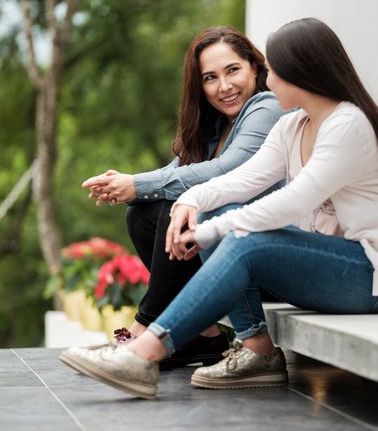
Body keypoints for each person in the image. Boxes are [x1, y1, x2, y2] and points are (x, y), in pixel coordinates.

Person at [60, 17, 378, 399]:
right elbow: (245, 179)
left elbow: (292, 202)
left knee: (234, 232)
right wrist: (191, 200)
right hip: (329, 267)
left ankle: (144, 353)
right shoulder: (293, 126)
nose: (270, 81)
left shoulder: (347, 125)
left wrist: (210, 230)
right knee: (218, 217)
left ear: (303, 72)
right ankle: (255, 349)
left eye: (276, 72)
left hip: (372, 277)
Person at [79, 26, 284, 368]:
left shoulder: (267, 107)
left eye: (233, 70)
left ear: (254, 67)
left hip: (262, 261)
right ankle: (202, 337)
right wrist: (129, 186)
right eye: (210, 78)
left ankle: (143, 330)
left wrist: (137, 182)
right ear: (199, 86)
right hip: (225, 254)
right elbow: (175, 176)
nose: (224, 86)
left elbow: (226, 171)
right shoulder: (215, 127)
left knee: (173, 207)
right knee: (144, 212)